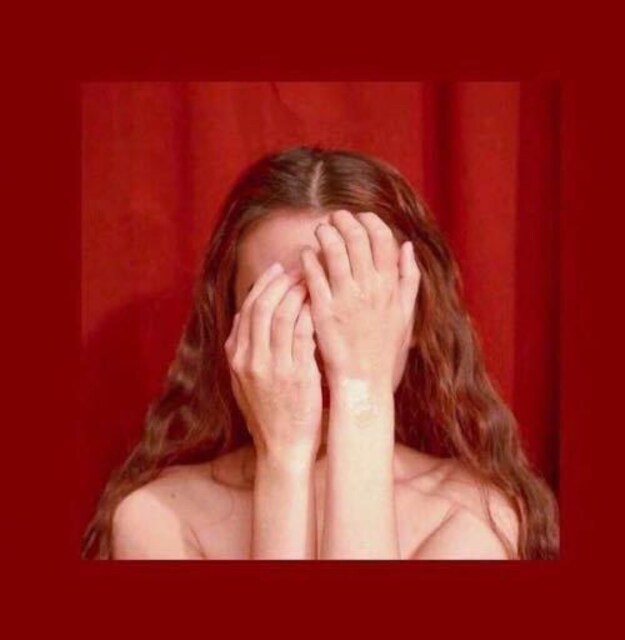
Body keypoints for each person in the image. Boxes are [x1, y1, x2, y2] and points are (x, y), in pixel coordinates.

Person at [81, 145, 559, 560]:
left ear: (413, 319)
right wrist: (283, 461)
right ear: (229, 324)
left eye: (352, 295)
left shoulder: (477, 513)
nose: (323, 335)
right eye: (282, 302)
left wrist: (360, 390)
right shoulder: (158, 518)